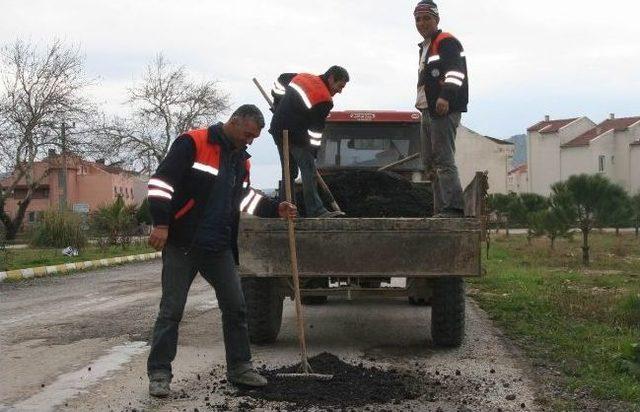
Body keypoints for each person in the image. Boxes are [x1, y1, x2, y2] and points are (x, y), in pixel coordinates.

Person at [145, 104, 297, 397]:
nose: (250, 141)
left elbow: (242, 198)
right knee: (171, 311)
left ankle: (240, 368)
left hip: (218, 247)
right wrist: (161, 224)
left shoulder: (242, 160)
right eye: (248, 133)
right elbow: (161, 183)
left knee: (236, 307)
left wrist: (273, 207)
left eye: (254, 137)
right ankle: (160, 373)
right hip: (183, 244)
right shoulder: (194, 142)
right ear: (235, 121)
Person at [269, 66, 349, 217]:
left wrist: (277, 103)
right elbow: (315, 132)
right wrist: (313, 153)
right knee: (309, 170)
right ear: (331, 78)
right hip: (295, 135)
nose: (340, 91)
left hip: (278, 129)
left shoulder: (303, 77)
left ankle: (287, 211)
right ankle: (316, 210)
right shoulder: (324, 100)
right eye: (340, 86)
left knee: (289, 172)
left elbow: (282, 78)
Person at [414, 0, 468, 217]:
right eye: (418, 19)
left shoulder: (446, 42)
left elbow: (456, 71)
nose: (422, 23)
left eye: (427, 18)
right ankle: (440, 209)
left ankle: (453, 208)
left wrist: (445, 96)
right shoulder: (425, 46)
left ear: (437, 19)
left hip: (443, 110)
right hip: (427, 110)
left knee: (444, 159)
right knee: (430, 162)